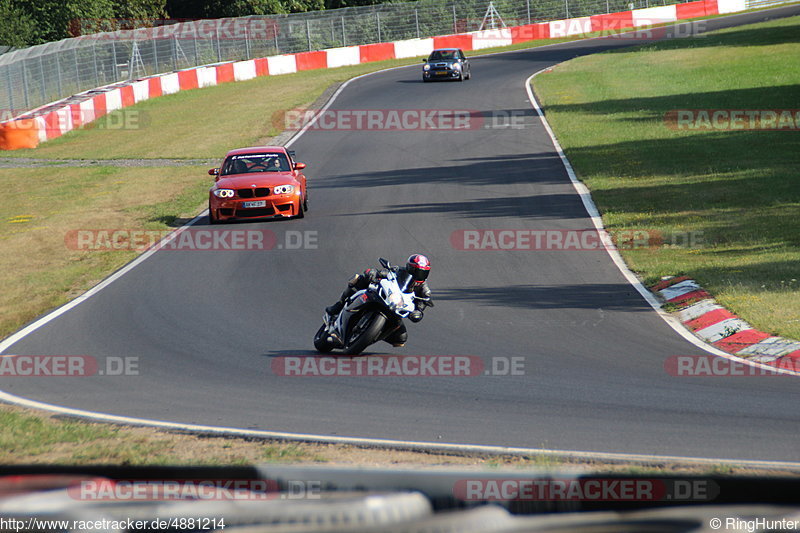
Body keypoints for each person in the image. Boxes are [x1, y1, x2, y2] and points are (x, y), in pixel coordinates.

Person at [325, 254, 433, 347]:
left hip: (396, 309)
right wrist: (374, 273)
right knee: (358, 279)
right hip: (385, 297)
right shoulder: (399, 271)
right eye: (417, 271)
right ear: (410, 268)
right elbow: (386, 272)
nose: (419, 275)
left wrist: (418, 311)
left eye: (423, 273)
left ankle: (371, 336)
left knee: (401, 339)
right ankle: (339, 305)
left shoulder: (424, 289)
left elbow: (423, 301)